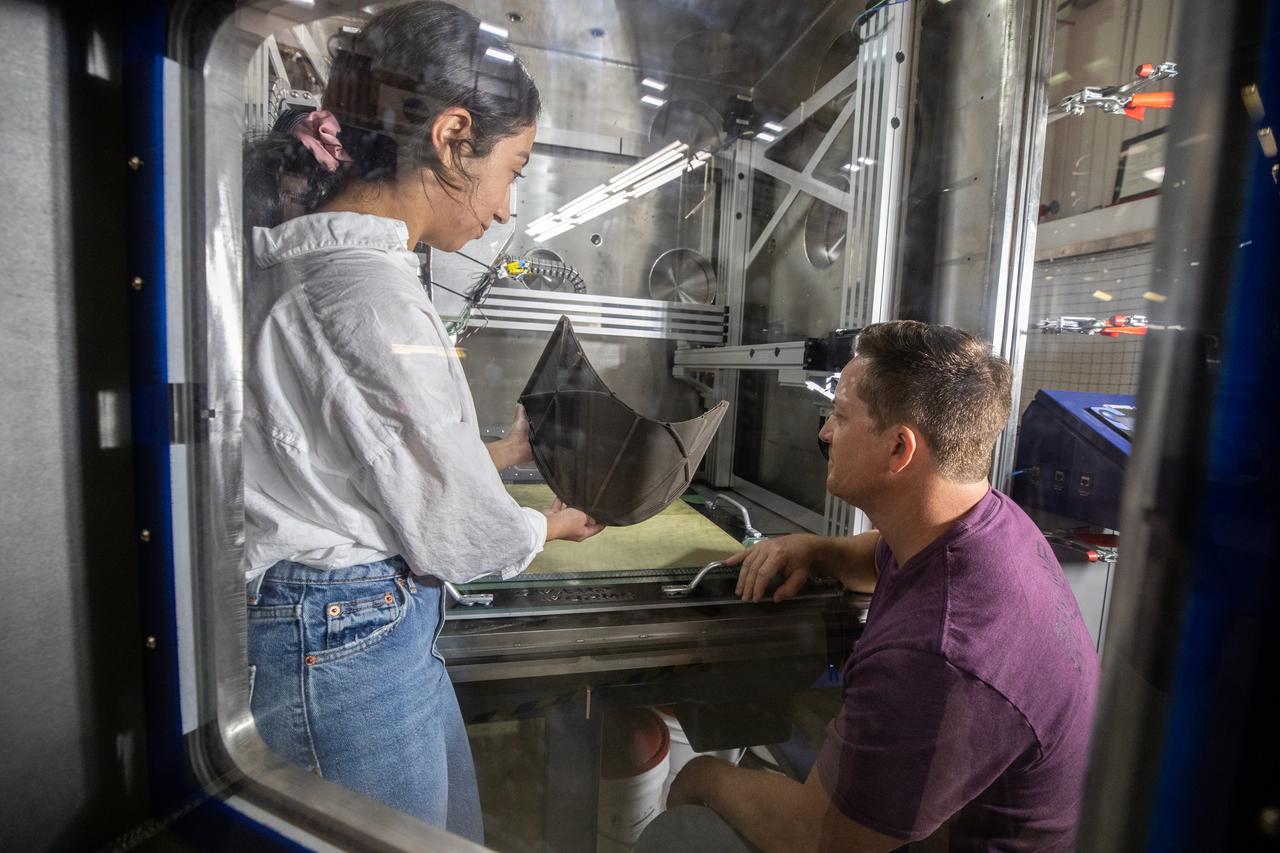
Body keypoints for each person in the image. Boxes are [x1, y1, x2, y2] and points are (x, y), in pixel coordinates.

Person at [240, 2, 603, 842]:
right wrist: (543, 525)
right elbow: (460, 532)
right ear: (452, 137)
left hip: (354, 629)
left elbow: (352, 455)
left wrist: (502, 451)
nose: (507, 208)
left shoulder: (324, 265)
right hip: (341, 643)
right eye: (513, 168)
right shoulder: (373, 296)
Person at [650, 321, 1099, 852]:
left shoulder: (939, 658)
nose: (824, 433)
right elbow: (884, 556)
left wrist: (702, 779)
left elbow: (814, 840)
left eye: (841, 417)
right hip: (944, 818)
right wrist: (818, 549)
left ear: (898, 450)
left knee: (684, 833)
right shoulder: (987, 521)